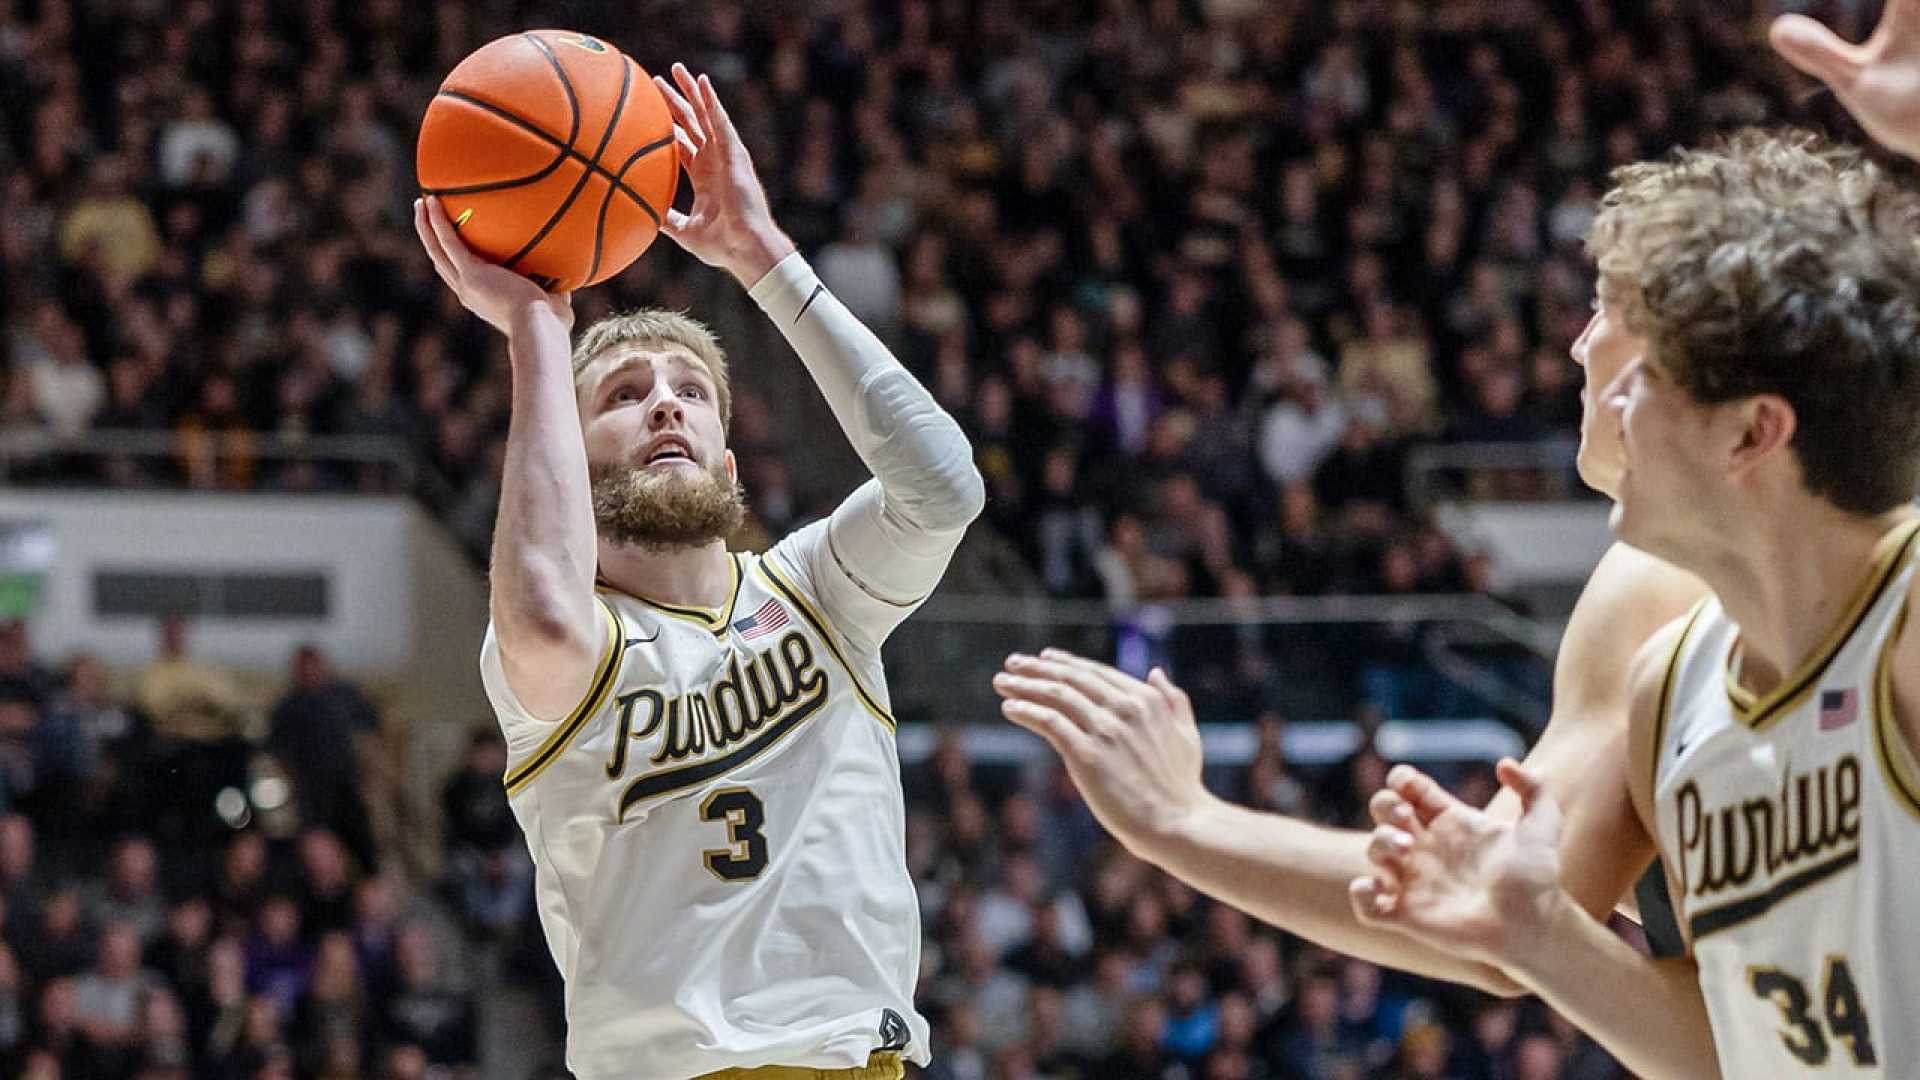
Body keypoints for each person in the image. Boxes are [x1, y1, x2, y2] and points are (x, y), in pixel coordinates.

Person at [988, 180, 1710, 997]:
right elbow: (1697, 1026)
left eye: (1603, 307)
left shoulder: (1660, 579)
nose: (1578, 346)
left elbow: (1499, 919)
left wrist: (1185, 820)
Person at [424, 64, 981, 1079]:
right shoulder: (569, 649)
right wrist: (540, 335)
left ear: (727, 461)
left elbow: (942, 490)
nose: (667, 404)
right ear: (568, 461)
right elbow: (545, 609)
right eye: (625, 396)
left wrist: (763, 257)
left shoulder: (817, 592)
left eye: (691, 391)